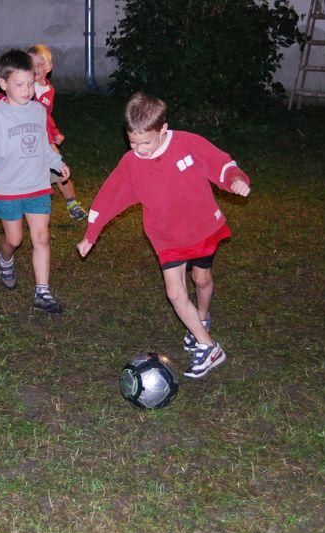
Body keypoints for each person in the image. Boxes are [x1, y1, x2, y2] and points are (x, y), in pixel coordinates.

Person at [77, 93, 251, 378]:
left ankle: (201, 319)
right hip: (166, 236)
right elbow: (110, 197)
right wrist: (91, 234)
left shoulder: (188, 144)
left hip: (201, 228)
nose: (139, 149)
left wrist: (236, 180)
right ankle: (209, 347)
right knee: (175, 292)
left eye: (145, 142)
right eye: (133, 143)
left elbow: (221, 163)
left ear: (163, 129)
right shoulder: (131, 163)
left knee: (202, 279)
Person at [0, 49, 70, 313]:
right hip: (8, 188)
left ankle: (42, 292)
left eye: (30, 83)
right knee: (14, 240)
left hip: (38, 185)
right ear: (3, 84)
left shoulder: (38, 110)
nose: (27, 90)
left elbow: (44, 144)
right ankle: (5, 259)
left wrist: (57, 162)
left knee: (41, 237)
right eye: (19, 84)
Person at [27, 44, 87, 221]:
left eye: (40, 64)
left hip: (46, 140)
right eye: (31, 64)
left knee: (61, 171)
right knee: (27, 174)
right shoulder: (24, 87)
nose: (36, 68)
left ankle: (72, 204)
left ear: (49, 67)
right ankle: (22, 203)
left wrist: (54, 133)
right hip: (27, 139)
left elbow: (46, 115)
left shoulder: (49, 90)